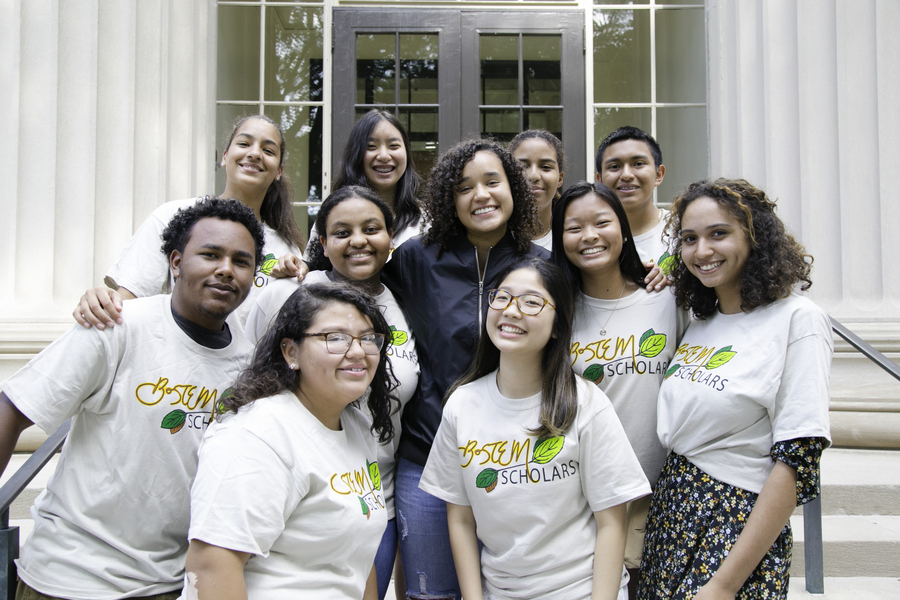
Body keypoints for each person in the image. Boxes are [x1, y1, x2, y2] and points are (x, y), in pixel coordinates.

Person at [0, 198, 263, 600]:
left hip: (171, 584)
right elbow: (14, 408)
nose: (225, 269)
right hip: (71, 579)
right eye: (210, 254)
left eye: (241, 261)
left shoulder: (247, 364)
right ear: (175, 263)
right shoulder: (116, 326)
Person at [638, 179, 832, 600]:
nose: (702, 251)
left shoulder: (798, 320)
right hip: (672, 515)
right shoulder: (702, 320)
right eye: (689, 239)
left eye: (719, 233)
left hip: (734, 526)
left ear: (754, 236)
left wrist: (724, 585)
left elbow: (798, 460)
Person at [420, 258, 650, 600]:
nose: (512, 311)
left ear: (557, 325)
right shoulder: (461, 405)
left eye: (531, 302)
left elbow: (612, 523)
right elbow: (461, 520)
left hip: (581, 590)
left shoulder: (586, 403)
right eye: (502, 297)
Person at [380, 139, 548, 598]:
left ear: (513, 187)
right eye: (464, 187)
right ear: (449, 200)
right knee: (430, 592)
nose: (481, 195)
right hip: (427, 456)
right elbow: (356, 288)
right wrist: (303, 273)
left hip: (515, 459)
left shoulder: (543, 265)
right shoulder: (416, 259)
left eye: (493, 182)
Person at [243, 186, 419, 600]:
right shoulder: (293, 292)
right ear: (322, 243)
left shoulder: (402, 298)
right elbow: (246, 368)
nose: (358, 240)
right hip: (303, 497)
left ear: (390, 239)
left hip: (376, 494)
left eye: (371, 229)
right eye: (342, 232)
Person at [182, 282, 395, 600]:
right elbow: (212, 564)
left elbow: (356, 561)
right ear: (290, 351)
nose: (357, 351)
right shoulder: (257, 435)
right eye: (334, 338)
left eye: (368, 338)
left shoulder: (355, 424)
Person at [551, 181, 691, 597]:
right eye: (574, 228)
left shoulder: (667, 298)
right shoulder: (557, 311)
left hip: (659, 488)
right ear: (560, 239)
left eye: (602, 222)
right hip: (584, 495)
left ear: (623, 230)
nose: (589, 236)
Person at [74, 114, 304, 329]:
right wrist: (98, 304)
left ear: (278, 171)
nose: (255, 154)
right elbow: (128, 302)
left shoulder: (288, 251)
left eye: (268, 150)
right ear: (224, 157)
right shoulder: (173, 216)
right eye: (244, 144)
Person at [297, 109, 426, 266]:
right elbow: (311, 271)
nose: (384, 156)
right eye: (371, 146)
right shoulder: (333, 216)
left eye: (393, 146)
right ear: (356, 155)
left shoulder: (428, 220)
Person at [595, 126, 669, 291]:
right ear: (599, 180)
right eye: (614, 166)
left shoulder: (683, 231)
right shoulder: (591, 239)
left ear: (658, 174)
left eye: (638, 164)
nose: (627, 175)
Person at [509, 129, 565, 250]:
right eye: (522, 166)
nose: (534, 176)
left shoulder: (570, 238)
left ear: (560, 179)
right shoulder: (494, 236)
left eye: (545, 167)